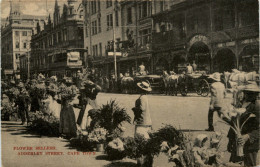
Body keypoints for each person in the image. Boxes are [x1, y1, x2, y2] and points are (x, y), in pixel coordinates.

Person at [227, 84, 260, 166]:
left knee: (249, 164)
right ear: (244, 93)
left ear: (257, 94)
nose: (250, 95)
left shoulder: (257, 107)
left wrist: (248, 136)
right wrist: (230, 140)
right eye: (248, 93)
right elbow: (233, 124)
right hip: (237, 143)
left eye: (253, 93)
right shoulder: (239, 105)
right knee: (234, 164)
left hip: (250, 145)